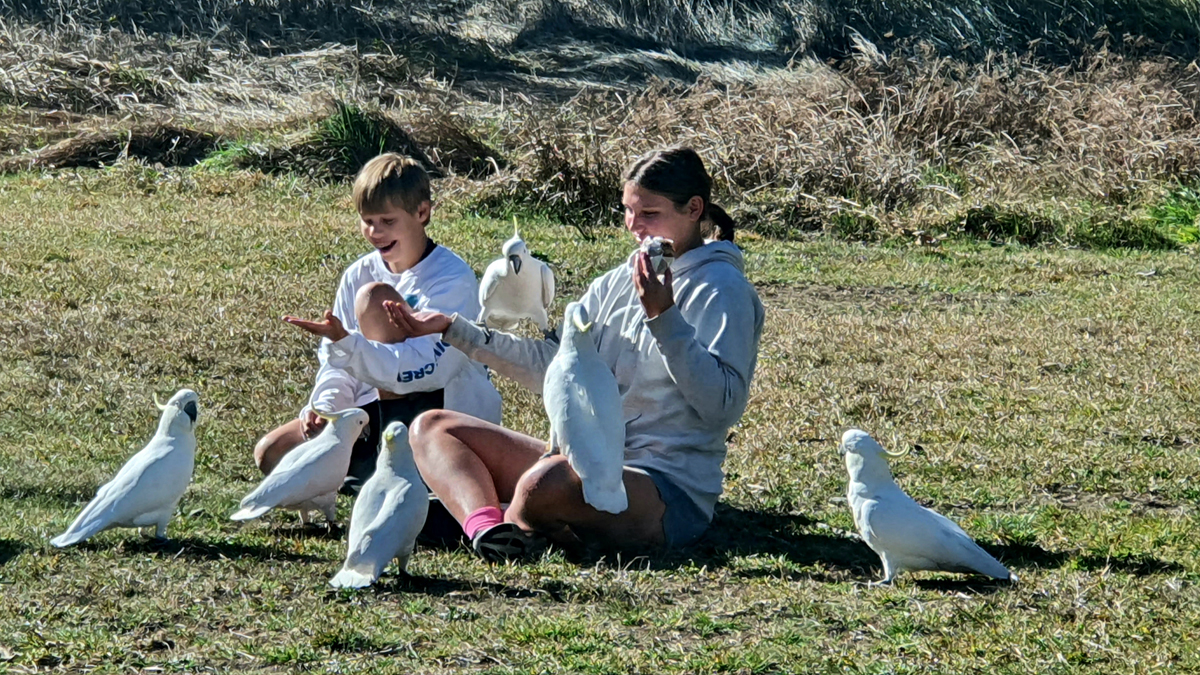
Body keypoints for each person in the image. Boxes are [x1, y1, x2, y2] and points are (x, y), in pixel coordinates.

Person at [385, 147, 765, 561]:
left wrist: (663, 317)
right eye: (627, 211)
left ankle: (486, 518)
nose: (634, 227)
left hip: (664, 488)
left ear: (694, 209)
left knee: (543, 484)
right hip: (582, 461)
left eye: (649, 214)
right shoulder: (614, 284)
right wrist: (454, 330)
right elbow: (556, 367)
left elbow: (721, 407)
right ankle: (490, 529)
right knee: (431, 428)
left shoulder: (723, 289)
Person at [253, 153, 502, 495]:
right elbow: (336, 361)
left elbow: (430, 370)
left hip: (437, 413)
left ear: (422, 213)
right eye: (367, 220)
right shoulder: (357, 272)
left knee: (374, 300)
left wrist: (350, 344)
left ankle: (397, 466)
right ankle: (362, 465)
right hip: (366, 414)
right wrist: (327, 408)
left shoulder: (451, 277)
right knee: (272, 453)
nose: (374, 232)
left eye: (387, 221)